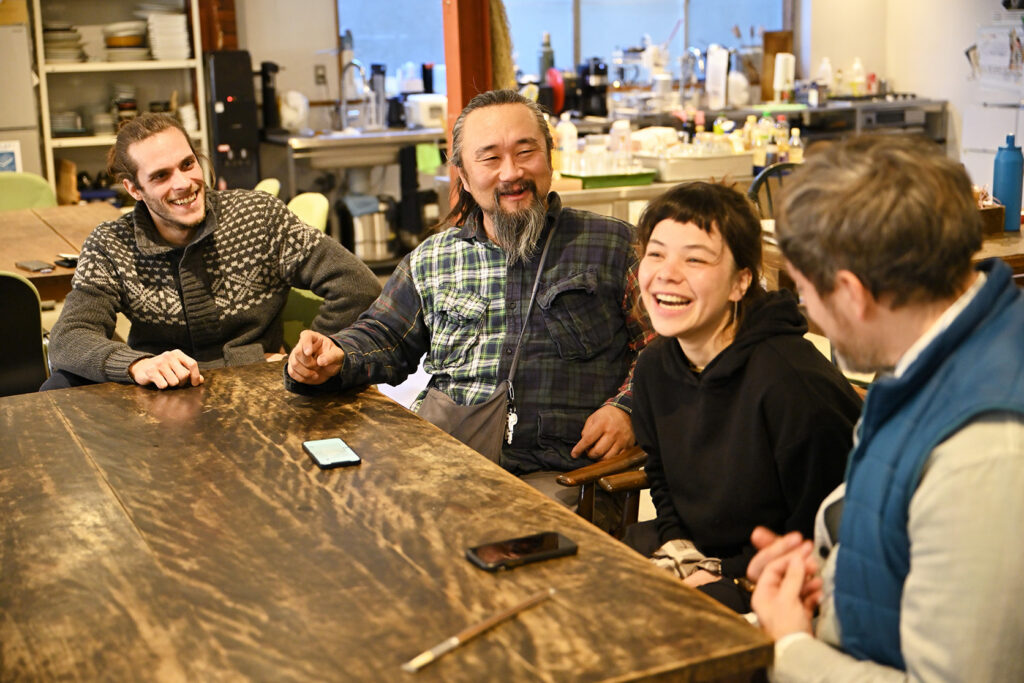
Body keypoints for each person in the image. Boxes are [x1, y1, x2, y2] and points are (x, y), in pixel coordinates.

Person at [285, 89, 651, 508]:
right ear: (461, 173)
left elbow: (664, 346)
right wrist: (336, 354)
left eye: (525, 152)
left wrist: (628, 408)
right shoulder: (433, 257)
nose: (511, 172)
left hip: (566, 476)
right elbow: (384, 334)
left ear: (550, 157)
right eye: (490, 158)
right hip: (447, 463)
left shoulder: (614, 245)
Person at [746, 135, 1024, 681]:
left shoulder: (986, 449)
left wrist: (789, 649)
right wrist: (831, 571)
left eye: (804, 292)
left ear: (852, 294)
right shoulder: (931, 355)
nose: (805, 309)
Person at [627, 182, 860, 613]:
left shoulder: (792, 383)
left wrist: (727, 575)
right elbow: (661, 476)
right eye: (656, 253)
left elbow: (827, 531)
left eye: (695, 259)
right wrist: (681, 550)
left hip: (784, 581)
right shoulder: (654, 366)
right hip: (700, 554)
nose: (666, 273)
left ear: (741, 282)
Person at [43, 113, 380, 390]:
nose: (183, 183)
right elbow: (68, 338)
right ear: (134, 189)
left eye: (187, 164)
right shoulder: (110, 244)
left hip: (254, 389)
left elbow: (356, 284)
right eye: (160, 176)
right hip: (161, 397)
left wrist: (303, 359)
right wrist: (136, 365)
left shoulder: (258, 216)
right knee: (58, 386)